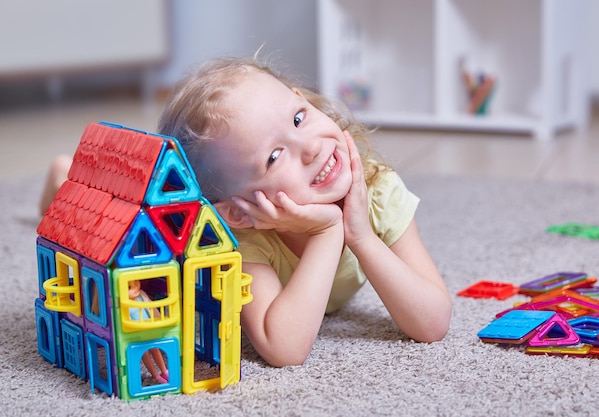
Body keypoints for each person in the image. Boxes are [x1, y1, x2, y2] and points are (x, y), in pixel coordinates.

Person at [39, 56, 452, 368]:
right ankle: (63, 177)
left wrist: (360, 236)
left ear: (301, 98)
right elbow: (284, 349)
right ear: (239, 213)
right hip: (176, 224)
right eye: (274, 157)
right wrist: (329, 233)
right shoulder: (246, 237)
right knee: (93, 213)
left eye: (298, 117)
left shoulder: (379, 192)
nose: (309, 146)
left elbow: (432, 323)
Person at [128, 280, 169, 384]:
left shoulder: (141, 295)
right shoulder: (124, 303)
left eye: (136, 282)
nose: (136, 287)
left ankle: (164, 371)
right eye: (129, 287)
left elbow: (152, 308)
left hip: (148, 327)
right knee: (144, 353)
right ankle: (155, 375)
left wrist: (159, 319)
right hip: (135, 331)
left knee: (155, 348)